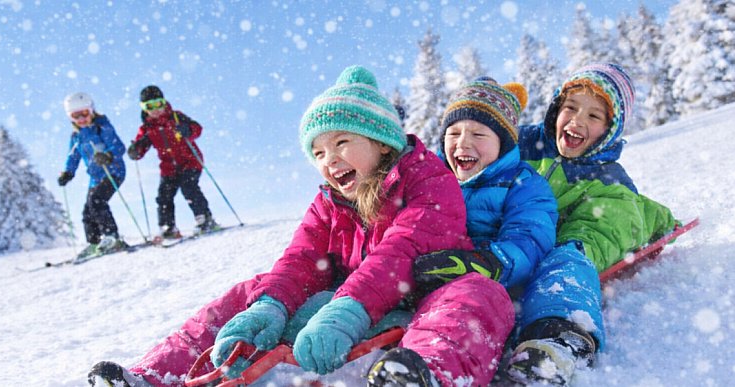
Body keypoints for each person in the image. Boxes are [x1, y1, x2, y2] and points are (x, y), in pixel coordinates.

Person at [87, 66, 515, 387]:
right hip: (344, 305)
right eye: (318, 152)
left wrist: (350, 309)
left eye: (342, 142)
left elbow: (404, 248)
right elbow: (301, 258)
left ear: (382, 144)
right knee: (253, 290)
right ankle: (153, 375)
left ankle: (423, 375)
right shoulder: (328, 201)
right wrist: (270, 306)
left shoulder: (426, 177)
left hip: (419, 297)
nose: (329, 159)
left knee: (479, 294)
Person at [374, 78, 558, 386]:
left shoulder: (524, 183)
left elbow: (530, 236)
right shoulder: (428, 178)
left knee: (465, 307)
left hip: (485, 282)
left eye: (478, 134)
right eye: (454, 133)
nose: (462, 143)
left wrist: (487, 263)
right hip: (419, 277)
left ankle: (430, 372)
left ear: (503, 143)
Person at [504, 63, 679, 385]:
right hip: (507, 241)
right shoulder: (520, 144)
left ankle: (559, 336)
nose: (577, 120)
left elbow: (625, 217)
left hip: (564, 242)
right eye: (570, 107)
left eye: (594, 115)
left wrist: (660, 221)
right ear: (556, 108)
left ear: (610, 130)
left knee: (572, 257)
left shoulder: (608, 179)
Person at [127, 85, 216, 241]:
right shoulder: (147, 128)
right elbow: (141, 147)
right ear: (144, 108)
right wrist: (135, 150)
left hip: (190, 161)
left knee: (189, 187)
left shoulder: (176, 117)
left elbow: (197, 128)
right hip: (169, 167)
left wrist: (188, 130)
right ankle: (167, 227)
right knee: (164, 195)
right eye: (150, 106)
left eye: (158, 104)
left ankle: (204, 218)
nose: (155, 109)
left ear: (164, 102)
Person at [57, 92, 128, 258]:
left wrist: (108, 155)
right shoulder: (76, 137)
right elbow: (73, 157)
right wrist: (68, 173)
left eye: (84, 113)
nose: (81, 119)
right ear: (70, 118)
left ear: (92, 111)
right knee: (87, 211)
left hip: (113, 172)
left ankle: (112, 237)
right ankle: (94, 243)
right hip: (95, 177)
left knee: (97, 200)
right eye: (76, 116)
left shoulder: (102, 127)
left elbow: (119, 147)